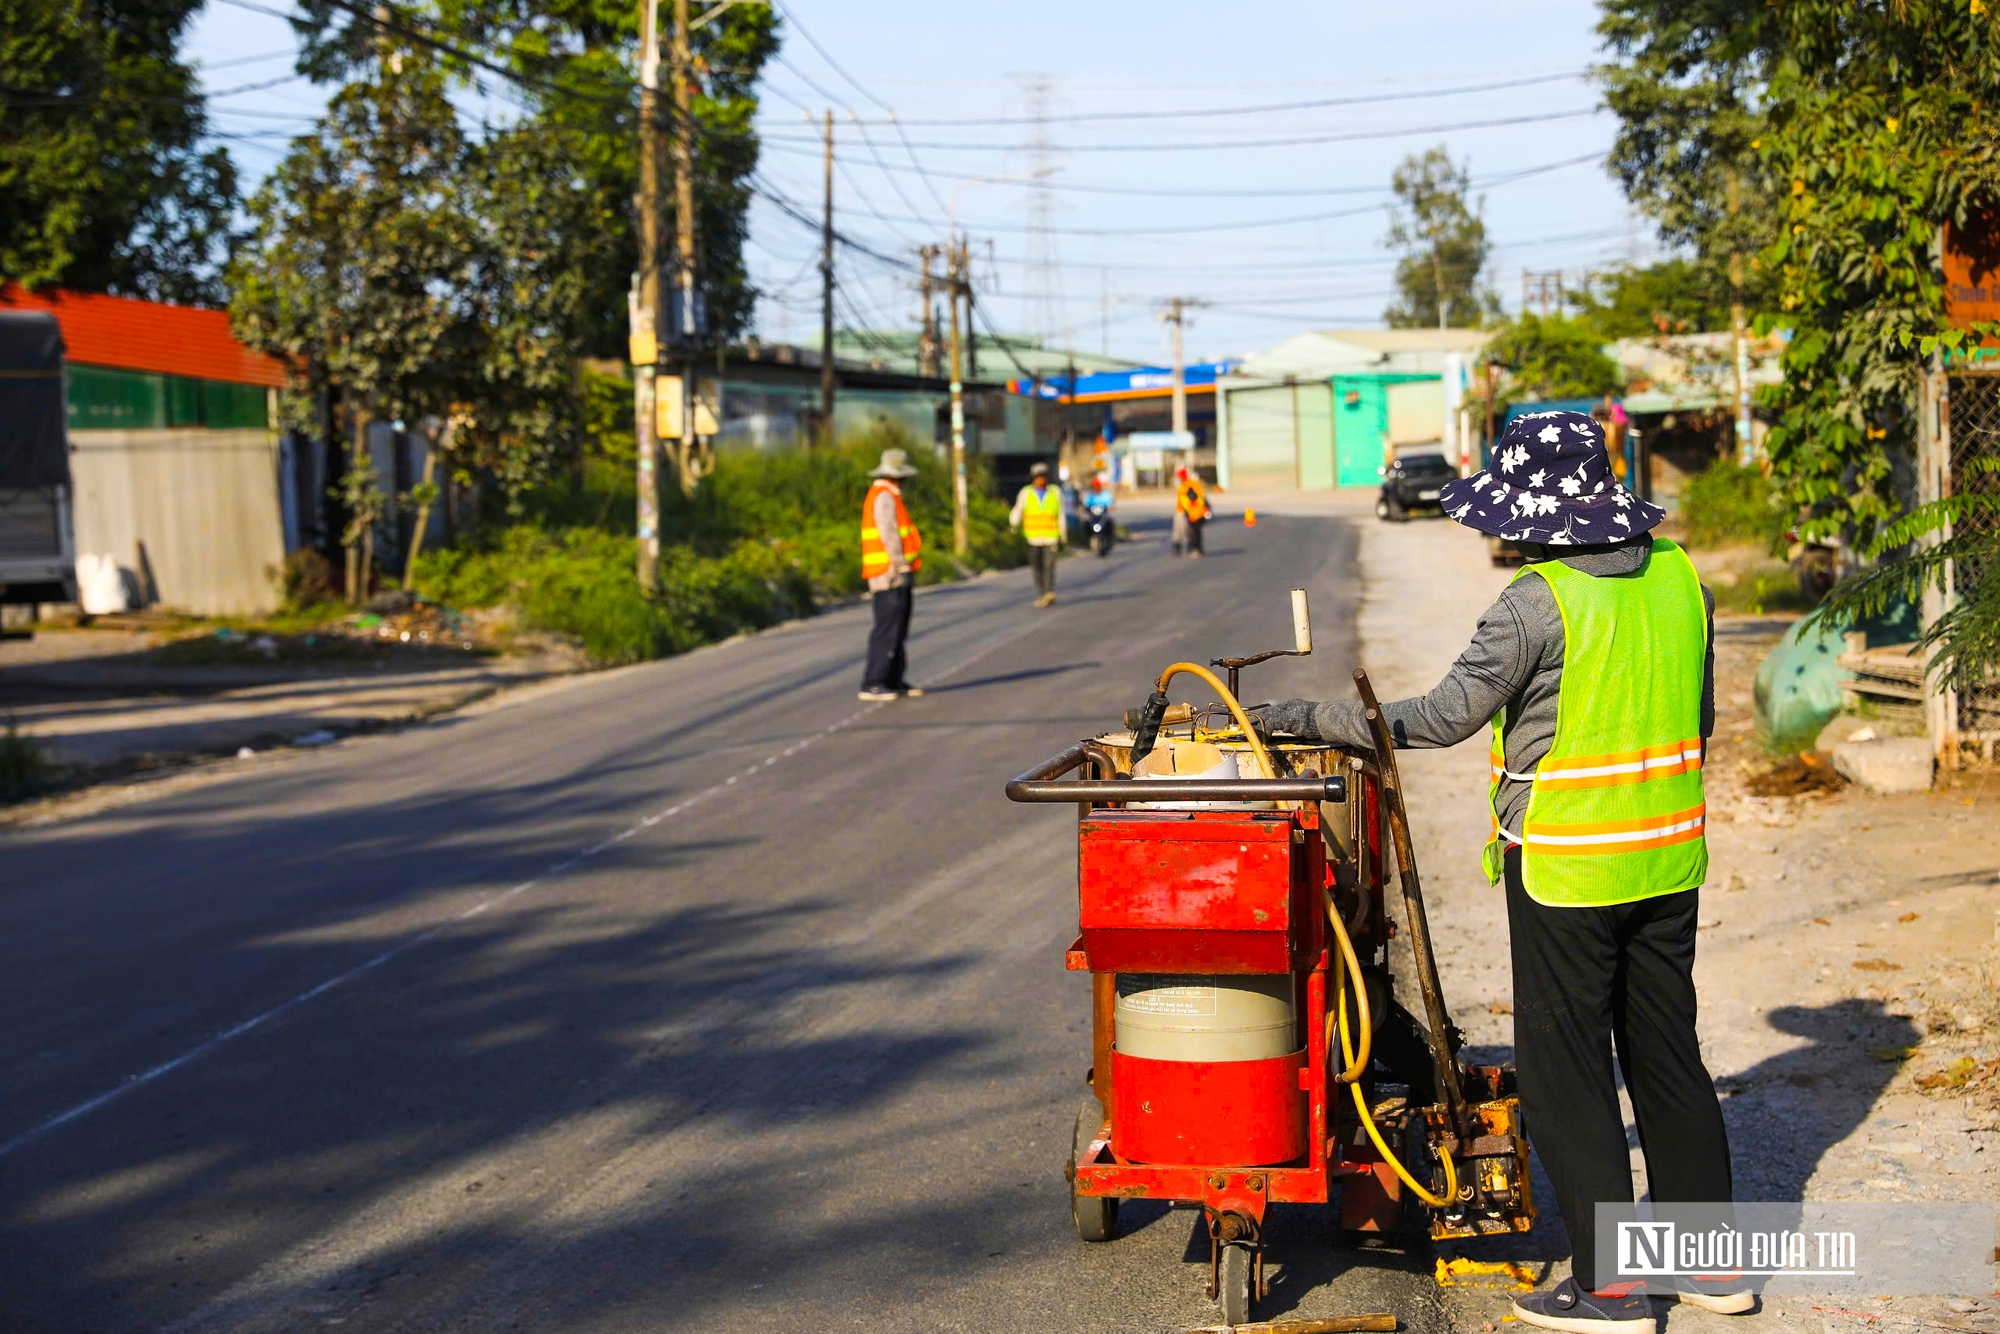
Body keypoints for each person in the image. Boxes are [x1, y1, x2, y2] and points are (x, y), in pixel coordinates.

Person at [1254, 411, 1742, 1334]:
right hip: (1671, 858)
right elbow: (1700, 718)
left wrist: (1307, 717)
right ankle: (1714, 1270)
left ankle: (1611, 1289)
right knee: (1665, 1052)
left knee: (1565, 1074)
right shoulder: (1682, 580)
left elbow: (1440, 718)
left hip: (1566, 867)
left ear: (1533, 514)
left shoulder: (1535, 603)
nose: (1493, 530)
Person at [857, 448, 925, 702]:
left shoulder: (890, 495)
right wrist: (900, 563)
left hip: (896, 572)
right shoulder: (883, 496)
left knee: (899, 627)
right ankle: (873, 682)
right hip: (889, 573)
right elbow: (889, 534)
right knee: (887, 628)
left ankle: (893, 679)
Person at [1010, 461, 1066, 607]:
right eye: (1038, 477)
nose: (1041, 479)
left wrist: (1063, 535)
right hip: (1033, 538)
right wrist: (1014, 524)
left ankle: (1049, 591)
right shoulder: (1025, 493)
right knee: (1037, 566)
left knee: (1049, 565)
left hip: (1051, 537)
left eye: (1043, 476)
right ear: (1033, 478)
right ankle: (1042, 592)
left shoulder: (1055, 492)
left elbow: (1061, 515)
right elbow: (1018, 510)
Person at [1174, 466, 1210, 557]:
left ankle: (1193, 549)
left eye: (1179, 477)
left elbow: (1196, 499)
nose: (1179, 479)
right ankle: (1194, 548)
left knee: (1191, 531)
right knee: (1193, 531)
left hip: (1191, 512)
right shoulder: (1189, 485)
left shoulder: (1188, 486)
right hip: (1191, 511)